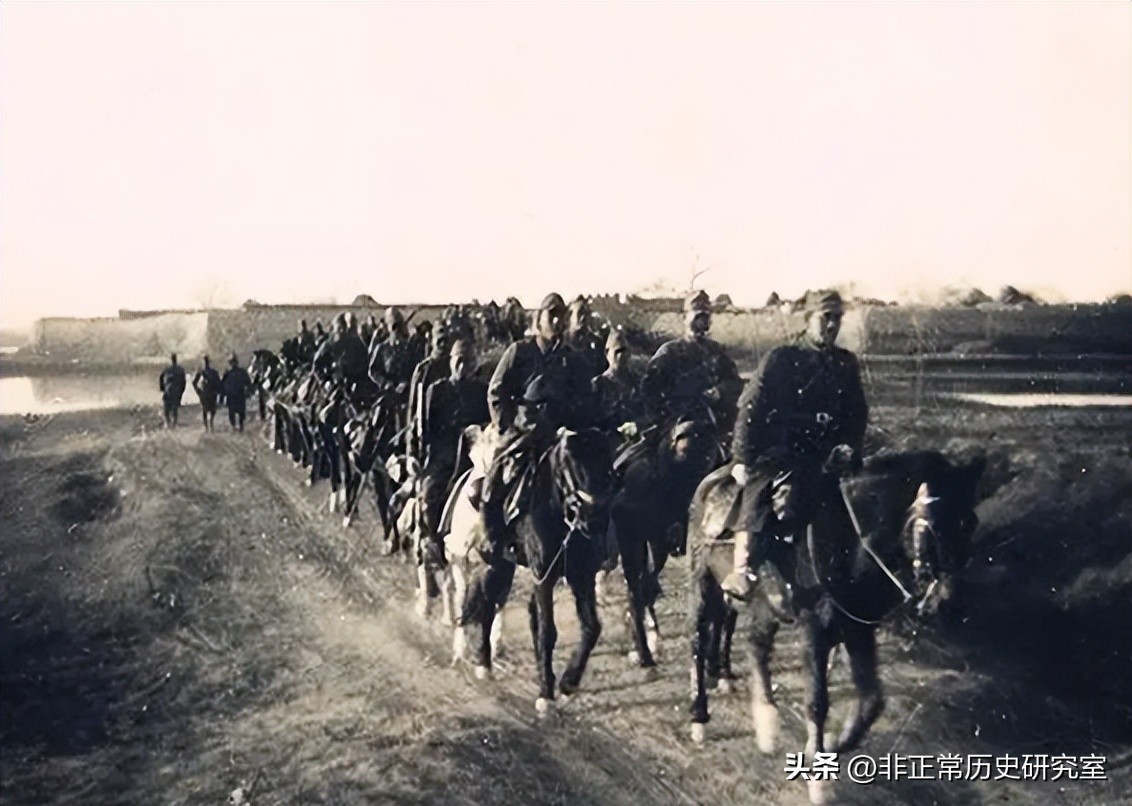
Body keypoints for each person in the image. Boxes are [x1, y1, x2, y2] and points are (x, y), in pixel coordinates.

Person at [721, 289, 869, 599]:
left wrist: (849, 446)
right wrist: (741, 459)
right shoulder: (783, 359)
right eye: (826, 318)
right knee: (765, 489)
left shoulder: (846, 364)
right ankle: (744, 568)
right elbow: (751, 408)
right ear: (808, 318)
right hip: (783, 451)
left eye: (837, 319)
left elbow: (857, 413)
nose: (832, 325)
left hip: (828, 455)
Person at [640, 289, 742, 449]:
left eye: (705, 316)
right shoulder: (669, 352)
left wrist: (719, 391)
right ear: (684, 317)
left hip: (715, 427)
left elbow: (735, 384)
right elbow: (649, 393)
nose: (701, 322)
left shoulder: (718, 352)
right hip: (676, 428)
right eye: (697, 316)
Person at [418, 338, 490, 564]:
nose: (462, 367)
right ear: (450, 362)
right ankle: (435, 545)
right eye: (458, 361)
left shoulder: (482, 391)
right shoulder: (436, 391)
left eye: (468, 362)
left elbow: (490, 425)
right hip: (445, 455)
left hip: (476, 457)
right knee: (430, 496)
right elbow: (425, 430)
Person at [406, 322, 452, 463]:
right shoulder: (424, 370)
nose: (443, 344)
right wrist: (411, 447)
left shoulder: (454, 363)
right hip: (429, 430)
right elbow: (413, 408)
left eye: (446, 340)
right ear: (432, 341)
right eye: (439, 340)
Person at [591, 329, 644, 435]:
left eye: (625, 350)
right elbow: (594, 419)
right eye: (618, 351)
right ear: (607, 352)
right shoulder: (598, 384)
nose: (622, 356)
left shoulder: (637, 382)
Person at [566, 295, 608, 378]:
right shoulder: (560, 343)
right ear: (569, 317)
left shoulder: (593, 343)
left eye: (587, 313)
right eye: (580, 312)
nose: (584, 317)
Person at [220, 353, 253, 433]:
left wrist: (222, 397)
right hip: (236, 396)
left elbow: (222, 385)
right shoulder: (240, 372)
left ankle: (237, 427)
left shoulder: (230, 373)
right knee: (237, 412)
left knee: (236, 412)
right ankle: (237, 427)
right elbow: (248, 383)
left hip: (235, 395)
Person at [192, 355, 222, 432]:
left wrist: (198, 391)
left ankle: (208, 427)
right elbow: (219, 383)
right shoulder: (211, 372)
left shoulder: (202, 372)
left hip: (206, 393)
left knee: (207, 411)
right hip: (209, 393)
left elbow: (194, 383)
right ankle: (209, 426)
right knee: (209, 411)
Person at [158, 353, 187, 428]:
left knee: (166, 410)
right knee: (174, 410)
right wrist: (181, 391)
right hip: (176, 391)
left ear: (171, 360)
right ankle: (173, 425)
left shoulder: (167, 369)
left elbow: (161, 377)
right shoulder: (180, 369)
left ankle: (168, 424)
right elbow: (183, 382)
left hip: (168, 390)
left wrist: (162, 388)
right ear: (176, 359)